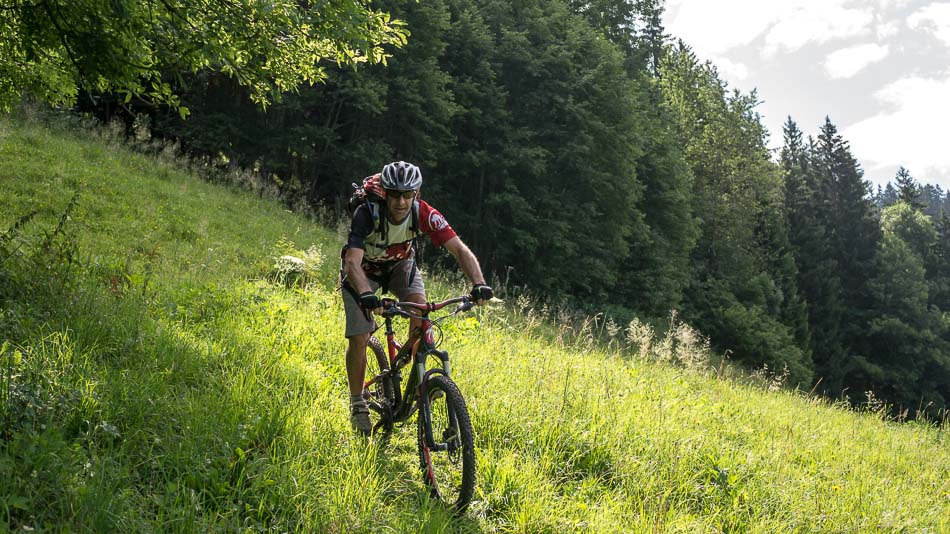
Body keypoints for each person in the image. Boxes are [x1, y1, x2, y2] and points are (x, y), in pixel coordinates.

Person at [340, 161, 493, 436]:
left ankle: (419, 378)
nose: (400, 201)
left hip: (400, 266)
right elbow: (352, 261)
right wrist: (365, 294)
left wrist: (479, 283)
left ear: (416, 193)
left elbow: (459, 250)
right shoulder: (367, 212)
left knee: (422, 320)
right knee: (360, 336)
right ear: (385, 192)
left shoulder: (424, 213)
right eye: (395, 194)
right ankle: (358, 403)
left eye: (407, 194)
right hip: (363, 271)